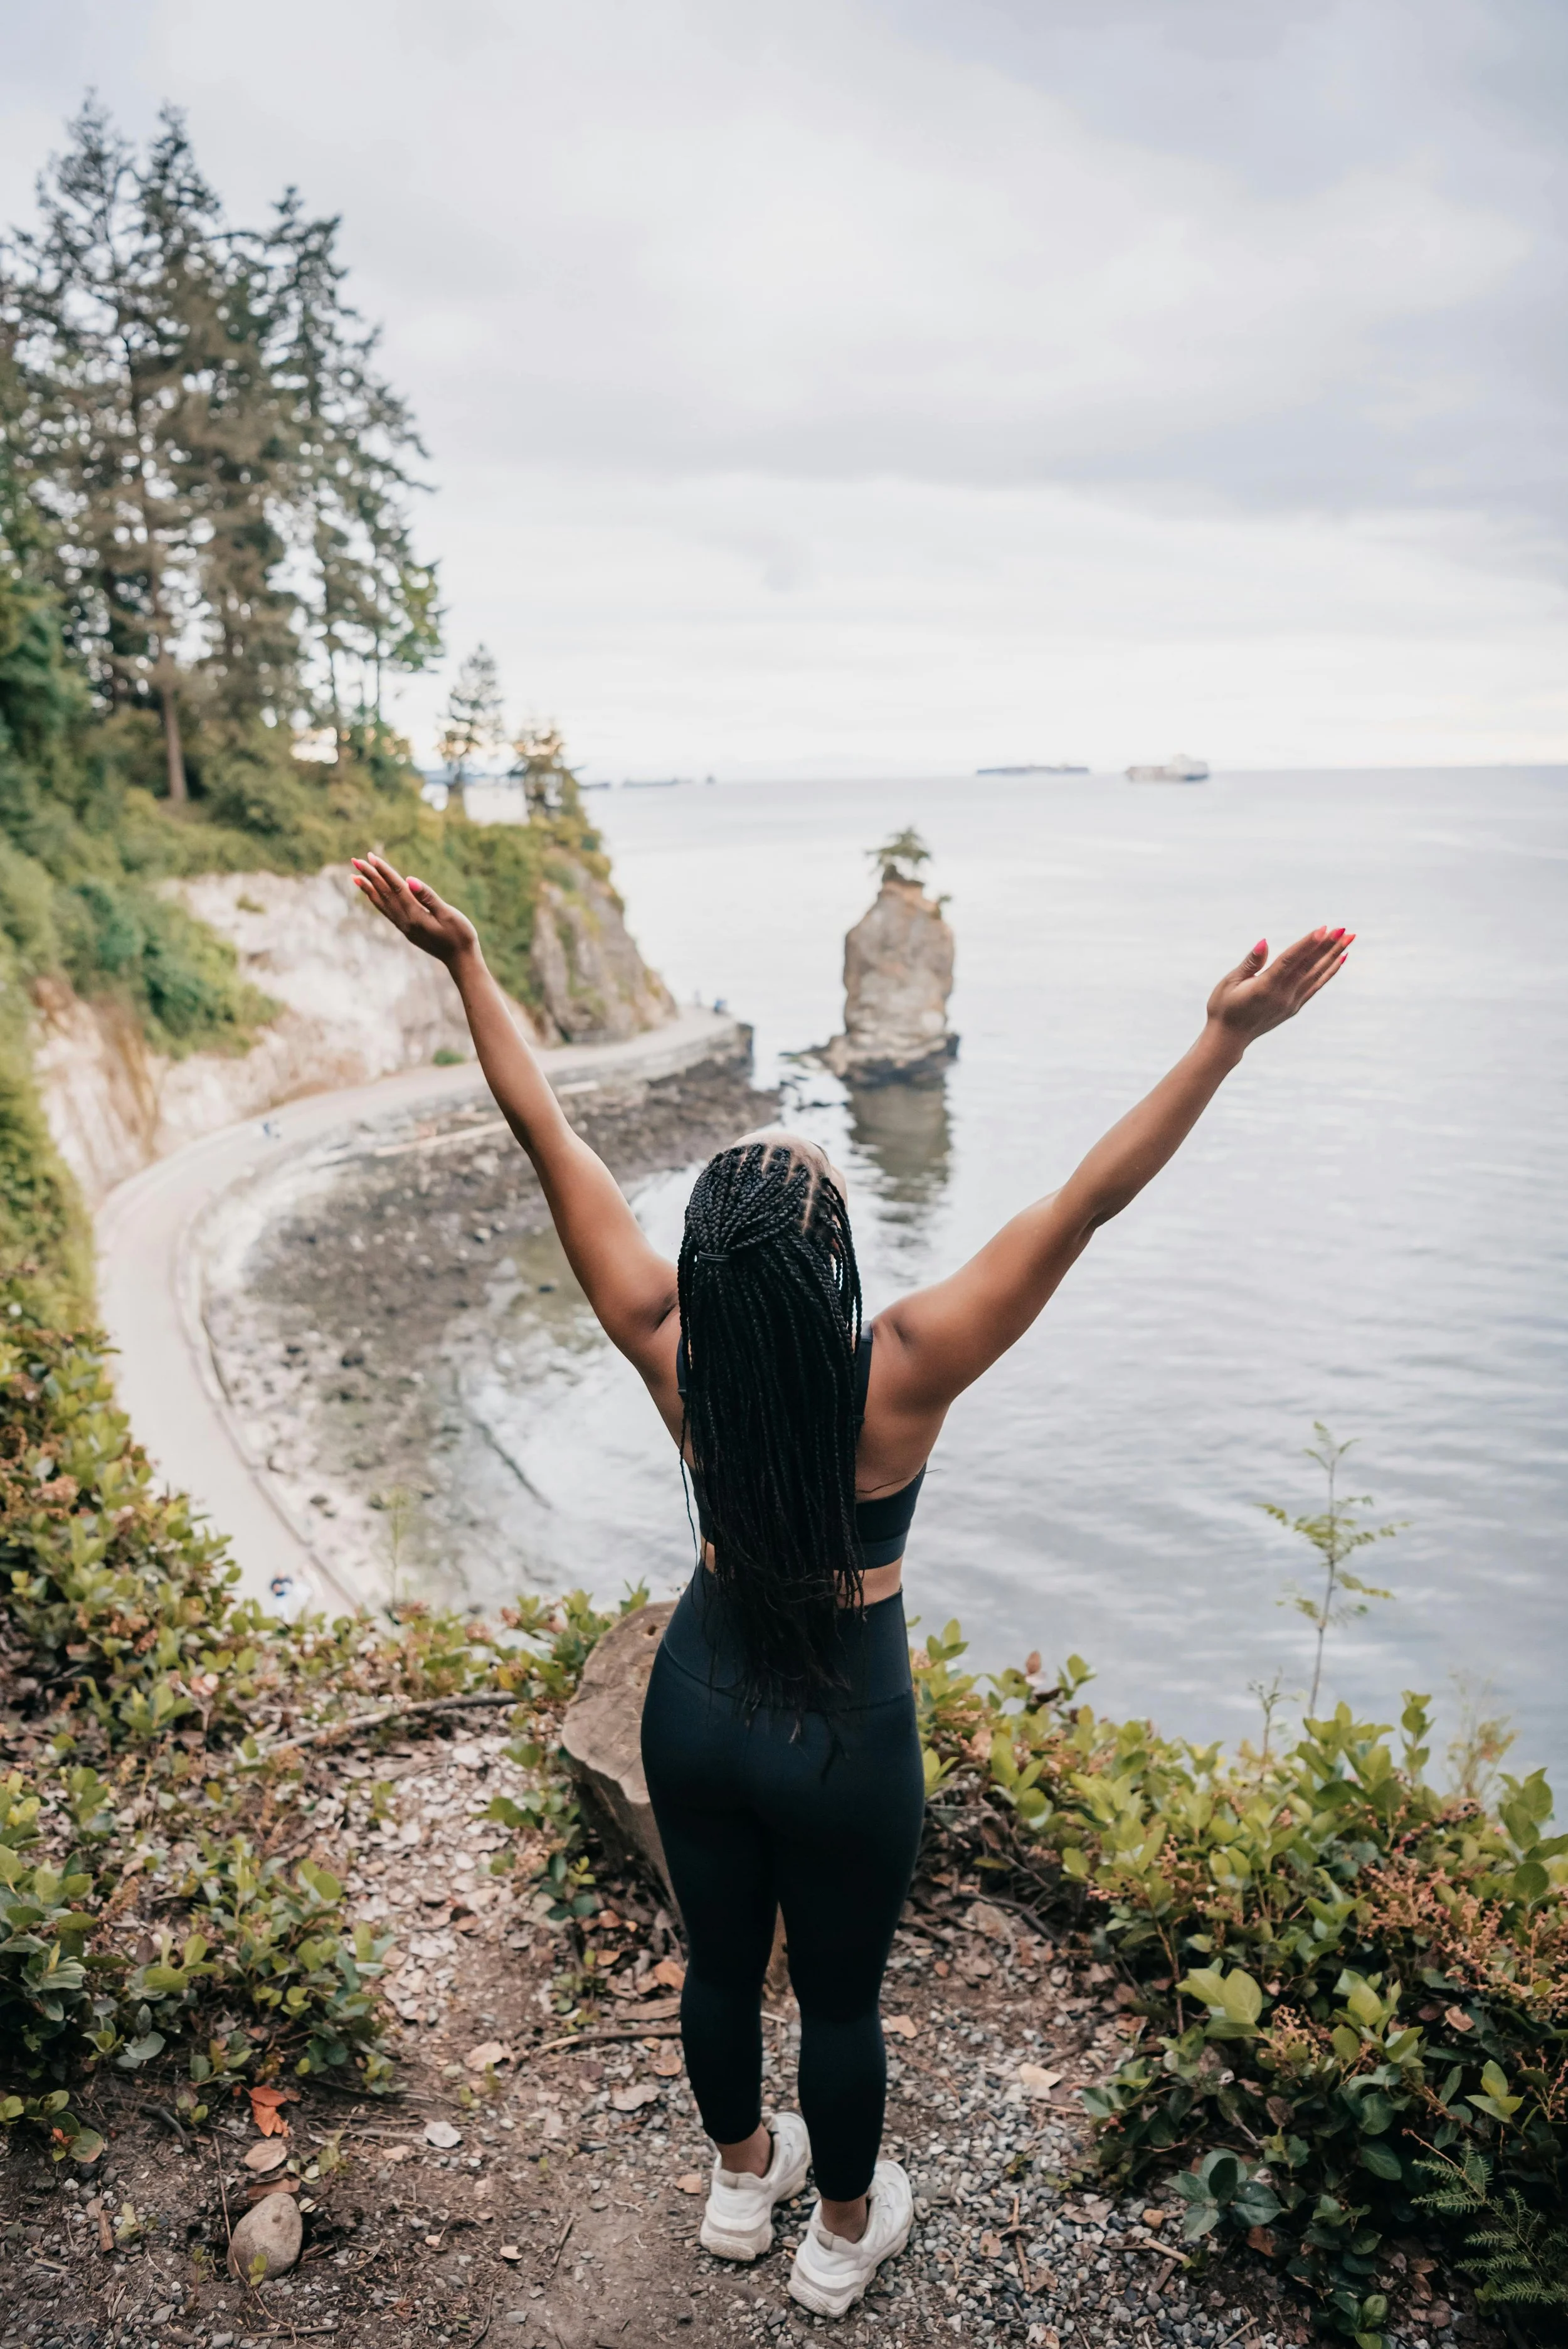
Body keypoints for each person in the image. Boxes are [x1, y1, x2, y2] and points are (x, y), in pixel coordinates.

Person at [352, 852, 1351, 2318]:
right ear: (830, 1269)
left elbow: (541, 1128)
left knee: (712, 1974)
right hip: (845, 1727)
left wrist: (465, 964)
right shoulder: (904, 1372)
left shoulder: (662, 1341)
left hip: (691, 1703)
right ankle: (835, 2238)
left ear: (704, 1273)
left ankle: (738, 2183)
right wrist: (1223, 1036)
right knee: (833, 1997)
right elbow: (1083, 1205)